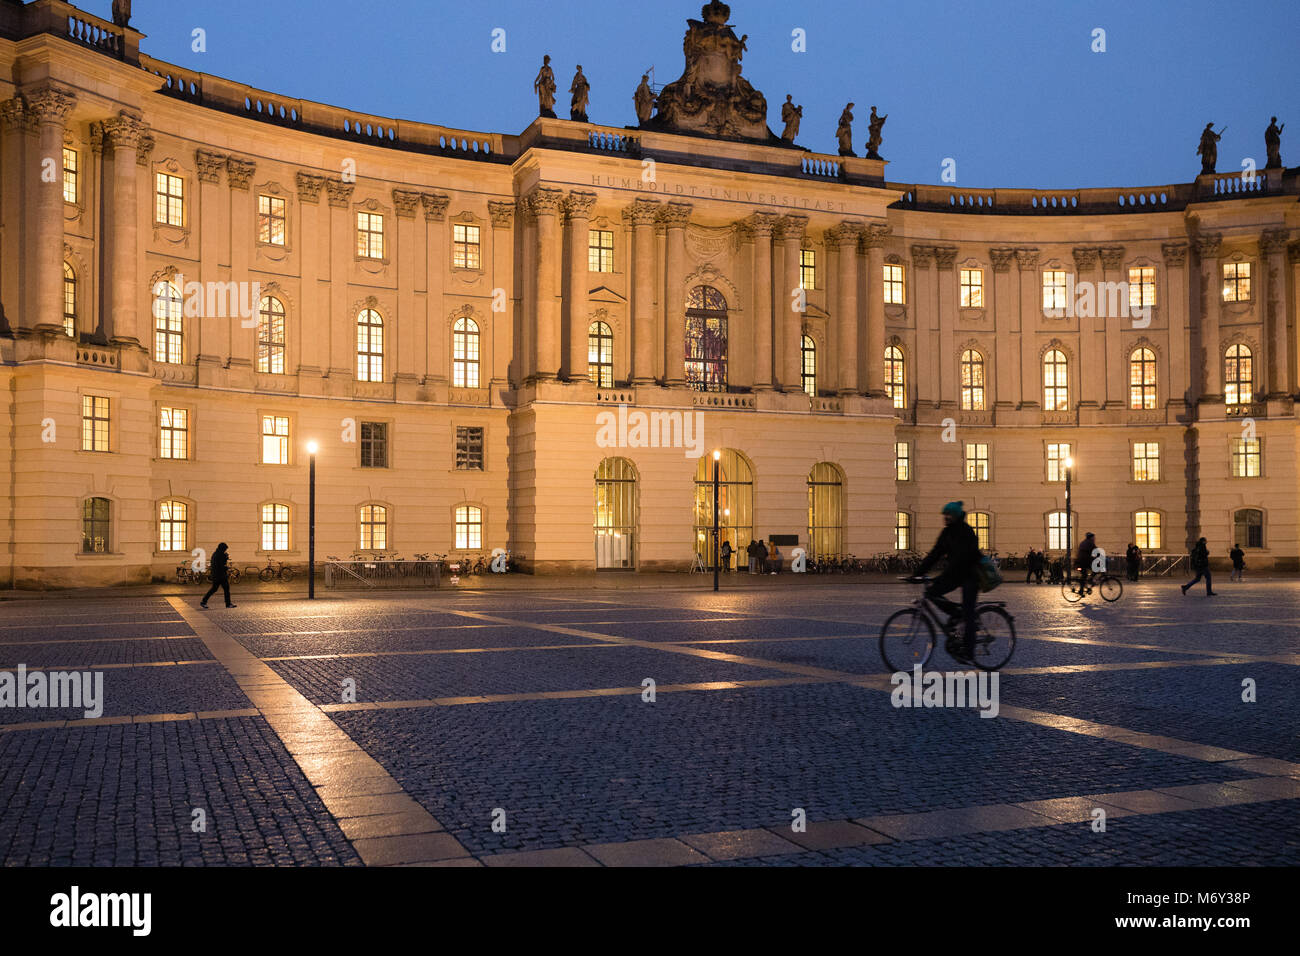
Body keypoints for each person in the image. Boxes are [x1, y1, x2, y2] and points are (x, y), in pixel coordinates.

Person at [909, 501, 981, 663]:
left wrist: (941, 577)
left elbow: (963, 559)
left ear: (955, 516)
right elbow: (935, 554)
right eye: (945, 514)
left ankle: (969, 652)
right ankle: (956, 614)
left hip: (970, 574)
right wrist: (916, 574)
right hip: (955, 574)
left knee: (969, 613)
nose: (946, 517)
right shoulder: (946, 533)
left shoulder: (966, 532)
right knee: (931, 592)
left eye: (949, 515)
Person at [200, 542, 237, 609]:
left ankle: (203, 601)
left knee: (214, 589)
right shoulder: (221, 555)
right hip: (221, 575)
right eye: (225, 549)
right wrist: (226, 566)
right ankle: (228, 604)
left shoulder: (215, 554)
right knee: (226, 589)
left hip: (215, 575)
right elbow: (221, 565)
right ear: (223, 549)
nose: (225, 550)